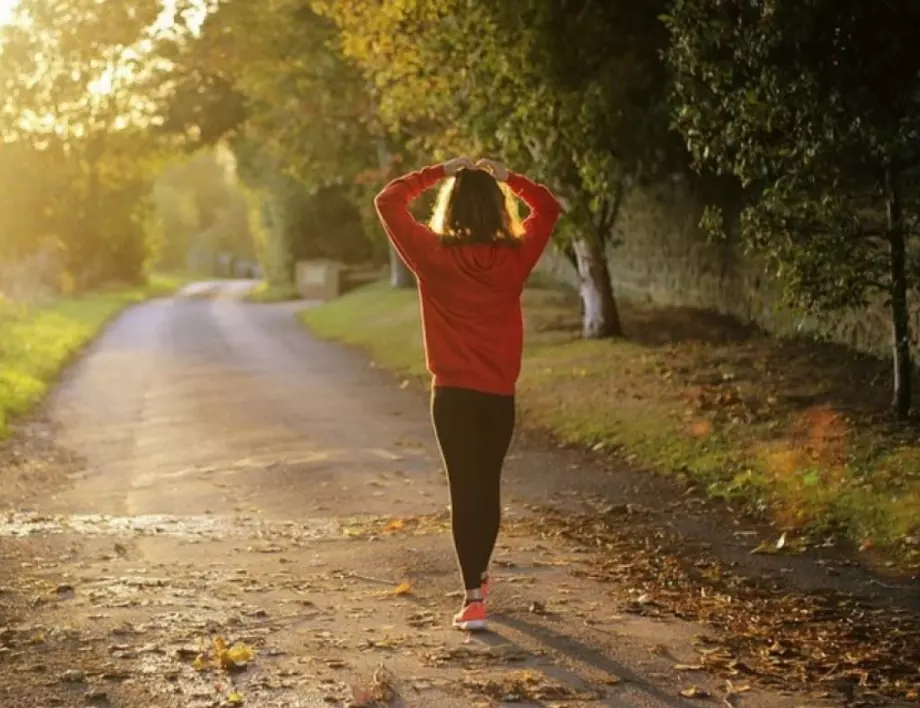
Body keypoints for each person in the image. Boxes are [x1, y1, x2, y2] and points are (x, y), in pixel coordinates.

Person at [374, 156, 561, 631]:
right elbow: (548, 206)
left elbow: (388, 200)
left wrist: (439, 171)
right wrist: (508, 177)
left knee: (464, 489)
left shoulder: (432, 254)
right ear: (499, 210)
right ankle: (478, 577)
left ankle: (473, 596)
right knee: (487, 486)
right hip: (498, 395)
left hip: (452, 397)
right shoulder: (516, 256)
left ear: (450, 209)